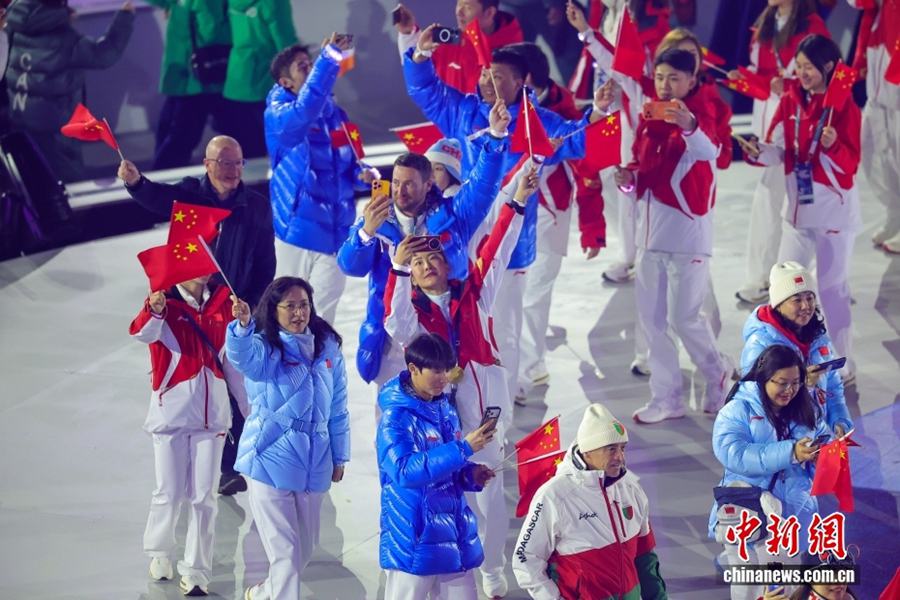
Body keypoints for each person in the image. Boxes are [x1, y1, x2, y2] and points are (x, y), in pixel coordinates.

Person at [404, 37, 601, 409]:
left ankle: (501, 410)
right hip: (463, 247)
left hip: (510, 247)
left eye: (497, 75)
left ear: (520, 81)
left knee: (505, 332)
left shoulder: (536, 122)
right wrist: (420, 53)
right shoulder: (464, 112)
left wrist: (598, 114)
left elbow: (578, 140)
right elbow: (424, 88)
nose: (486, 80)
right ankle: (462, 404)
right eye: (484, 73)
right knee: (464, 329)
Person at [384, 168, 538, 598]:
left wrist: (518, 201)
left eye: (433, 258)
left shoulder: (475, 292)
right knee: (453, 500)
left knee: (491, 499)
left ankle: (491, 567)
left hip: (485, 417)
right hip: (441, 422)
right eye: (417, 262)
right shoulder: (413, 314)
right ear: (411, 273)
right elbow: (394, 320)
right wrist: (396, 269)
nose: (427, 265)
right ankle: (449, 569)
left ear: (446, 262)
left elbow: (497, 248)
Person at [119, 135, 276, 495]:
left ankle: (227, 465)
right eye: (224, 162)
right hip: (190, 308)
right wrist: (135, 183)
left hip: (234, 311)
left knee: (233, 383)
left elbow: (266, 263)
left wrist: (251, 306)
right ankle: (190, 453)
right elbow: (157, 199)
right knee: (196, 381)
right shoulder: (191, 194)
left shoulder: (256, 206)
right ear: (207, 164)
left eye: (238, 163)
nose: (233, 170)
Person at [336, 100, 511, 387]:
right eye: (395, 183)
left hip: (443, 328)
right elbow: (349, 266)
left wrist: (496, 136)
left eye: (409, 184)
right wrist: (365, 233)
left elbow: (483, 184)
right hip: (394, 335)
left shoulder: (454, 216)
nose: (399, 192)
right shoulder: (377, 218)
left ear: (429, 184)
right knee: (394, 413)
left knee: (449, 412)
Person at [605, 48, 733, 424]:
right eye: (660, 77)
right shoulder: (649, 118)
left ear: (691, 81)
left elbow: (711, 151)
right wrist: (628, 181)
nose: (664, 84)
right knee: (653, 321)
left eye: (674, 78)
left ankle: (718, 373)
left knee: (686, 318)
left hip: (688, 235)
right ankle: (667, 397)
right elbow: (641, 168)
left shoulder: (702, 113)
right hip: (650, 237)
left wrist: (690, 124)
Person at [745, 34, 861, 382]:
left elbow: (851, 164)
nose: (802, 73)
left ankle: (843, 363)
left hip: (833, 215)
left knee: (831, 290)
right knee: (785, 287)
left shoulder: (844, 106)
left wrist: (834, 145)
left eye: (808, 67)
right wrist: (758, 152)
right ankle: (788, 358)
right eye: (799, 66)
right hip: (796, 210)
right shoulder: (791, 99)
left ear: (828, 67)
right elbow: (778, 148)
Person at [226, 277, 349, 600]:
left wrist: (340, 455)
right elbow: (242, 357)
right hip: (269, 457)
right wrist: (241, 326)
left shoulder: (328, 347)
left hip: (315, 461)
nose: (299, 313)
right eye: (290, 306)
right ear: (274, 309)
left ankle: (264, 593)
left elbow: (338, 405)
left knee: (302, 553)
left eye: (304, 304)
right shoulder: (265, 348)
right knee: (286, 554)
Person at [503, 41, 606, 396]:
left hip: (549, 211)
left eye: (505, 75)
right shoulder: (499, 109)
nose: (494, 81)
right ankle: (518, 365)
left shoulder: (561, 111)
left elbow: (588, 168)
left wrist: (592, 227)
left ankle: (528, 369)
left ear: (524, 78)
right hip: (509, 211)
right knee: (510, 293)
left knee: (533, 293)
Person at [130, 275, 233, 597]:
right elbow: (140, 333)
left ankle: (197, 570)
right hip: (170, 414)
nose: (198, 270)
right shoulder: (165, 304)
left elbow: (235, 360)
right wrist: (154, 309)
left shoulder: (225, 303)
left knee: (205, 497)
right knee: (169, 492)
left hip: (212, 416)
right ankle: (159, 552)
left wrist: (243, 324)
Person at [377, 332, 498, 600]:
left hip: (452, 535)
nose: (443, 377)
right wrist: (463, 448)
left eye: (447, 369)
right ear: (413, 369)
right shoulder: (395, 419)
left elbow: (450, 467)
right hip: (415, 540)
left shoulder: (445, 410)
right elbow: (404, 471)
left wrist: (471, 474)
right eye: (435, 370)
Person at [266, 36, 375, 325]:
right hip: (298, 233)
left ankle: (318, 370)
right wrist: (329, 59)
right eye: (303, 67)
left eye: (312, 64)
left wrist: (364, 176)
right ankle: (286, 369)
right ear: (285, 82)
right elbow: (304, 112)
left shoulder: (338, 115)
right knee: (287, 314)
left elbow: (351, 164)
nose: (312, 70)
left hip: (337, 233)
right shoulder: (279, 114)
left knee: (323, 318)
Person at [709, 344, 830, 600]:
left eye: (796, 382)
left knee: (789, 590)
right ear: (764, 377)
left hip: (793, 515)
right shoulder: (737, 410)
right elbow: (734, 454)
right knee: (750, 589)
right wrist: (790, 453)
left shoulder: (804, 407)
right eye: (782, 383)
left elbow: (823, 435)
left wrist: (823, 455)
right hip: (749, 514)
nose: (790, 390)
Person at [512, 403, 668, 599]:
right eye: (611, 449)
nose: (620, 457)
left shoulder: (631, 488)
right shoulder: (554, 495)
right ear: (587, 451)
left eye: (622, 448)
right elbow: (525, 558)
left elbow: (646, 558)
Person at [730, 0, 830, 304]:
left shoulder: (811, 26)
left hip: (796, 126)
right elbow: (758, 70)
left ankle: (792, 279)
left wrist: (786, 83)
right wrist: (746, 79)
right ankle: (766, 277)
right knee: (769, 203)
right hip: (768, 124)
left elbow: (825, 76)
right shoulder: (765, 23)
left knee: (793, 209)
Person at [4, 0, 134, 182]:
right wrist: (124, 18)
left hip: (18, 115)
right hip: (54, 121)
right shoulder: (65, 39)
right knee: (65, 177)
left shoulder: (13, 25)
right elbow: (104, 55)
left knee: (27, 173)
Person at [741, 262, 853, 435]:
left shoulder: (817, 336)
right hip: (785, 443)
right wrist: (802, 385)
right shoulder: (761, 344)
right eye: (797, 300)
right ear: (778, 304)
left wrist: (839, 421)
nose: (806, 306)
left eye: (809, 298)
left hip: (815, 437)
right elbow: (758, 404)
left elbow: (832, 386)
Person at [144, 0, 231, 169]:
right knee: (180, 135)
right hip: (196, 76)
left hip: (189, 76)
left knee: (175, 133)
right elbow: (211, 28)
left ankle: (159, 183)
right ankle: (160, 183)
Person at [847, 0, 900, 254]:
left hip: (897, 99)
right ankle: (895, 215)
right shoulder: (878, 9)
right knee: (871, 156)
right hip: (877, 97)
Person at [222, 0, 298, 159]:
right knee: (278, 152)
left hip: (236, 83)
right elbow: (286, 47)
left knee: (244, 155)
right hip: (265, 84)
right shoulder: (273, 3)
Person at [394, 0, 524, 93]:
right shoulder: (450, 41)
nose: (459, 12)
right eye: (458, 3)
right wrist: (408, 33)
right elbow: (418, 72)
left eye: (467, 6)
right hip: (454, 129)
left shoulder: (515, 54)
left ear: (489, 12)